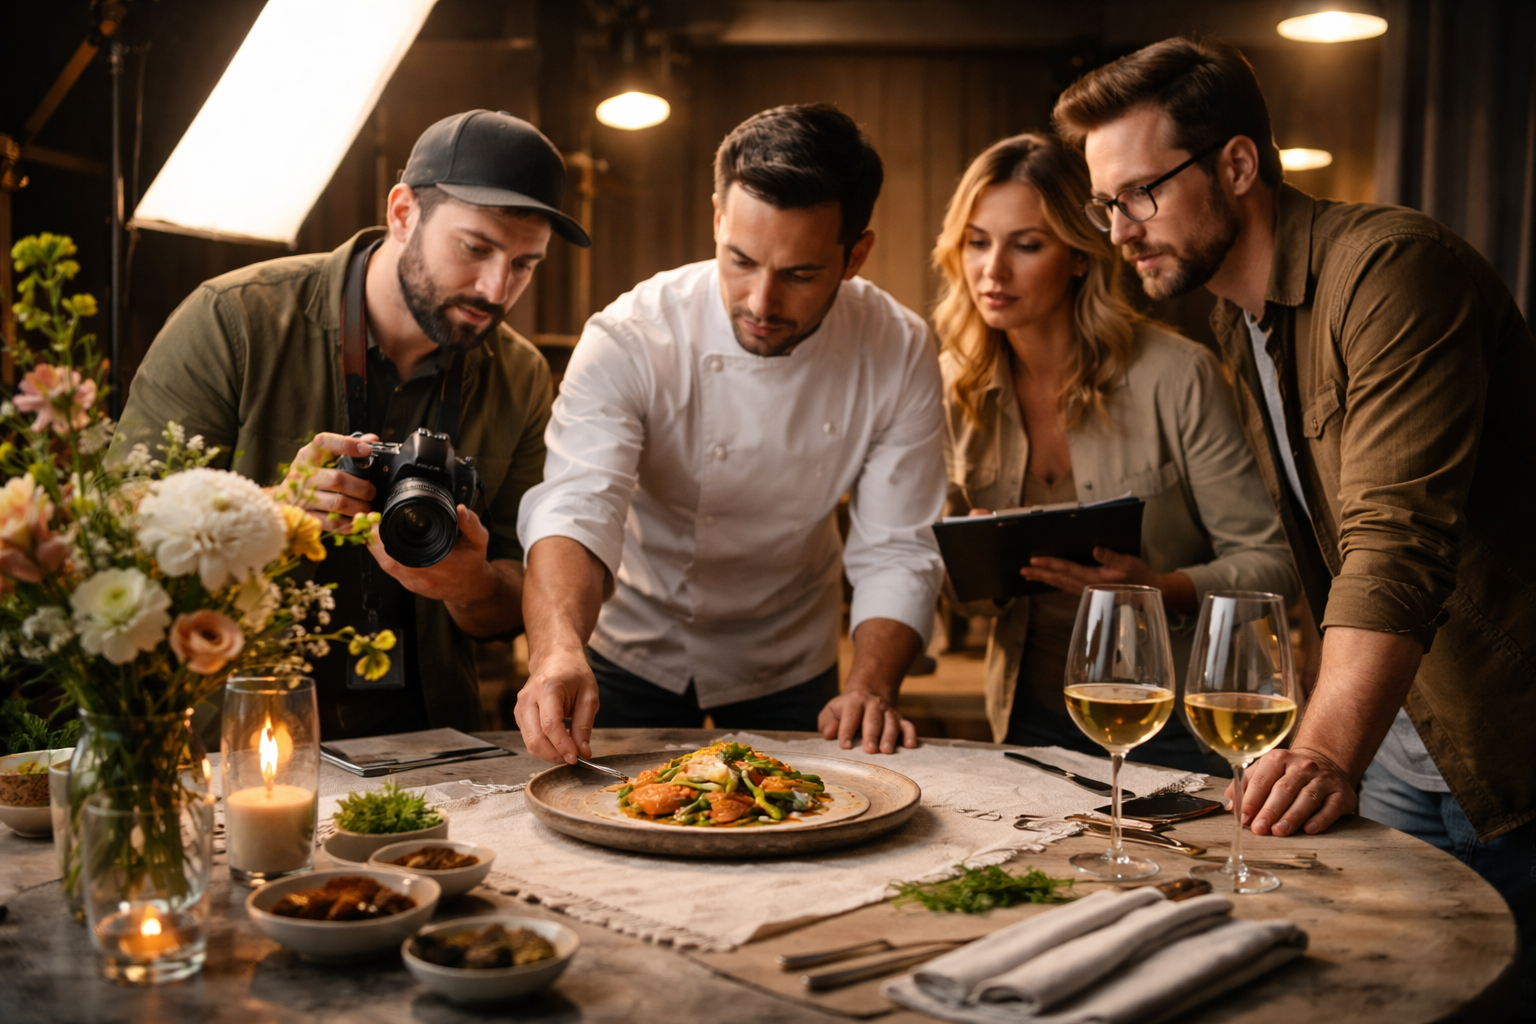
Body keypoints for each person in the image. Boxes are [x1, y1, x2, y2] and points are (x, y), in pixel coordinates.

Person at [1055, 36, 1535, 1005]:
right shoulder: (1243, 322)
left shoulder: (1393, 270)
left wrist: (1317, 750)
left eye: (1140, 193)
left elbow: (1394, 546)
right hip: (1395, 750)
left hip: (1505, 754)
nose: (1120, 229)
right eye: (1107, 205)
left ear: (1236, 165)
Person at [113, 110, 591, 739]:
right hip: (227, 724)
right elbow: (116, 530)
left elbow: (516, 592)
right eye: (475, 248)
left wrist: (469, 584)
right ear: (402, 213)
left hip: (432, 737)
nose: (496, 289)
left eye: (525, 265)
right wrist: (269, 517)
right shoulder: (233, 320)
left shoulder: (522, 376)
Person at [514, 104, 946, 763]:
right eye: (740, 260)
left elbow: (895, 547)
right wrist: (556, 651)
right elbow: (578, 504)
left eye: (800, 274)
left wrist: (871, 686)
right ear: (717, 218)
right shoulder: (631, 335)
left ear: (856, 253)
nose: (761, 302)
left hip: (789, 656)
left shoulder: (898, 346)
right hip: (631, 646)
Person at [934, 132, 1298, 775]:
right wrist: (963, 562)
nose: (993, 271)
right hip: (1028, 722)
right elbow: (947, 585)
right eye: (977, 241)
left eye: (1026, 244)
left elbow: (1275, 564)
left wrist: (1156, 587)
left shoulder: (1179, 376)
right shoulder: (950, 386)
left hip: (1179, 723)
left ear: (1079, 256)